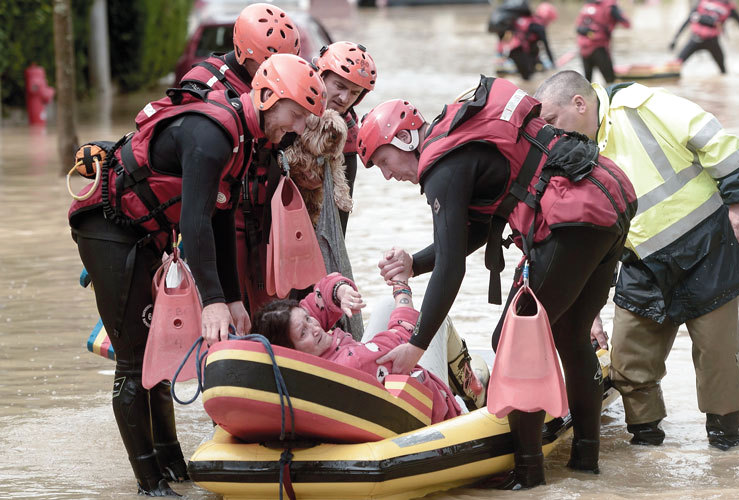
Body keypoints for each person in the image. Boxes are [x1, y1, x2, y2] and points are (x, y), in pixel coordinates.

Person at [357, 76, 636, 488]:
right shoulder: (458, 150)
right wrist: (413, 264)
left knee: (513, 340)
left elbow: (453, 268)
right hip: (609, 194)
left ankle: (528, 476)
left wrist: (416, 345)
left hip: (577, 212)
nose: (386, 176)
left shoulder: (441, 168)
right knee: (571, 334)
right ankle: (585, 465)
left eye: (382, 162)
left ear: (403, 139)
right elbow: (472, 233)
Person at [68, 54, 326, 496]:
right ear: (265, 97)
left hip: (142, 233)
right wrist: (211, 303)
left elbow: (222, 220)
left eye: (306, 118)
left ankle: (172, 466)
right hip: (107, 228)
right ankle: (150, 484)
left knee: (158, 363)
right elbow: (195, 222)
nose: (299, 127)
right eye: (296, 114)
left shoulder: (246, 138)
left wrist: (234, 299)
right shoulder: (214, 134)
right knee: (134, 362)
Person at [533, 70, 739, 451]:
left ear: (579, 103)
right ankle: (646, 449)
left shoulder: (639, 105)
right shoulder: (570, 155)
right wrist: (589, 309)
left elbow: (711, 136)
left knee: (717, 360)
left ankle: (725, 457)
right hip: (641, 263)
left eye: (553, 122)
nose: (551, 133)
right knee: (628, 365)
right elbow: (587, 237)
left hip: (706, 246)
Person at [179, 3, 302, 313]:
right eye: (266, 65)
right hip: (221, 213)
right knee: (224, 307)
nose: (274, 75)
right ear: (245, 53)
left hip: (266, 214)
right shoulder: (202, 83)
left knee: (275, 309)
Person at [252, 270, 463, 423]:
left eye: (308, 319)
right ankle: (469, 387)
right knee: (434, 318)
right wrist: (402, 287)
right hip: (440, 412)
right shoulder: (354, 361)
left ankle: (465, 374)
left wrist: (341, 292)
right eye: (303, 333)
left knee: (387, 306)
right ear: (292, 353)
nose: (315, 327)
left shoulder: (302, 362)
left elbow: (322, 291)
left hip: (376, 380)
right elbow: (406, 334)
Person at [315, 41, 378, 234]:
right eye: (339, 86)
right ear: (321, 76)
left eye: (354, 93)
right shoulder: (289, 110)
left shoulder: (350, 136)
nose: (344, 98)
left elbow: (341, 215)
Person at [669, 0, 739, 74]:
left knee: (723, 71)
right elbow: (688, 19)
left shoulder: (729, 7)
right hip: (697, 40)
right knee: (676, 65)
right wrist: (675, 39)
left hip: (711, 42)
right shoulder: (704, 2)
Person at [490, 2, 559, 80]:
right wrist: (553, 65)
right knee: (528, 79)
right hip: (518, 51)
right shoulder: (539, 26)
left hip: (509, 51)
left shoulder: (525, 20)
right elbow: (546, 46)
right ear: (548, 18)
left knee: (529, 72)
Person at [575, 0, 630, 83]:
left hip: (583, 49)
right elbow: (627, 24)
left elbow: (578, 28)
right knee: (610, 82)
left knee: (587, 83)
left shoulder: (587, 5)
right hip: (599, 48)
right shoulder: (610, 6)